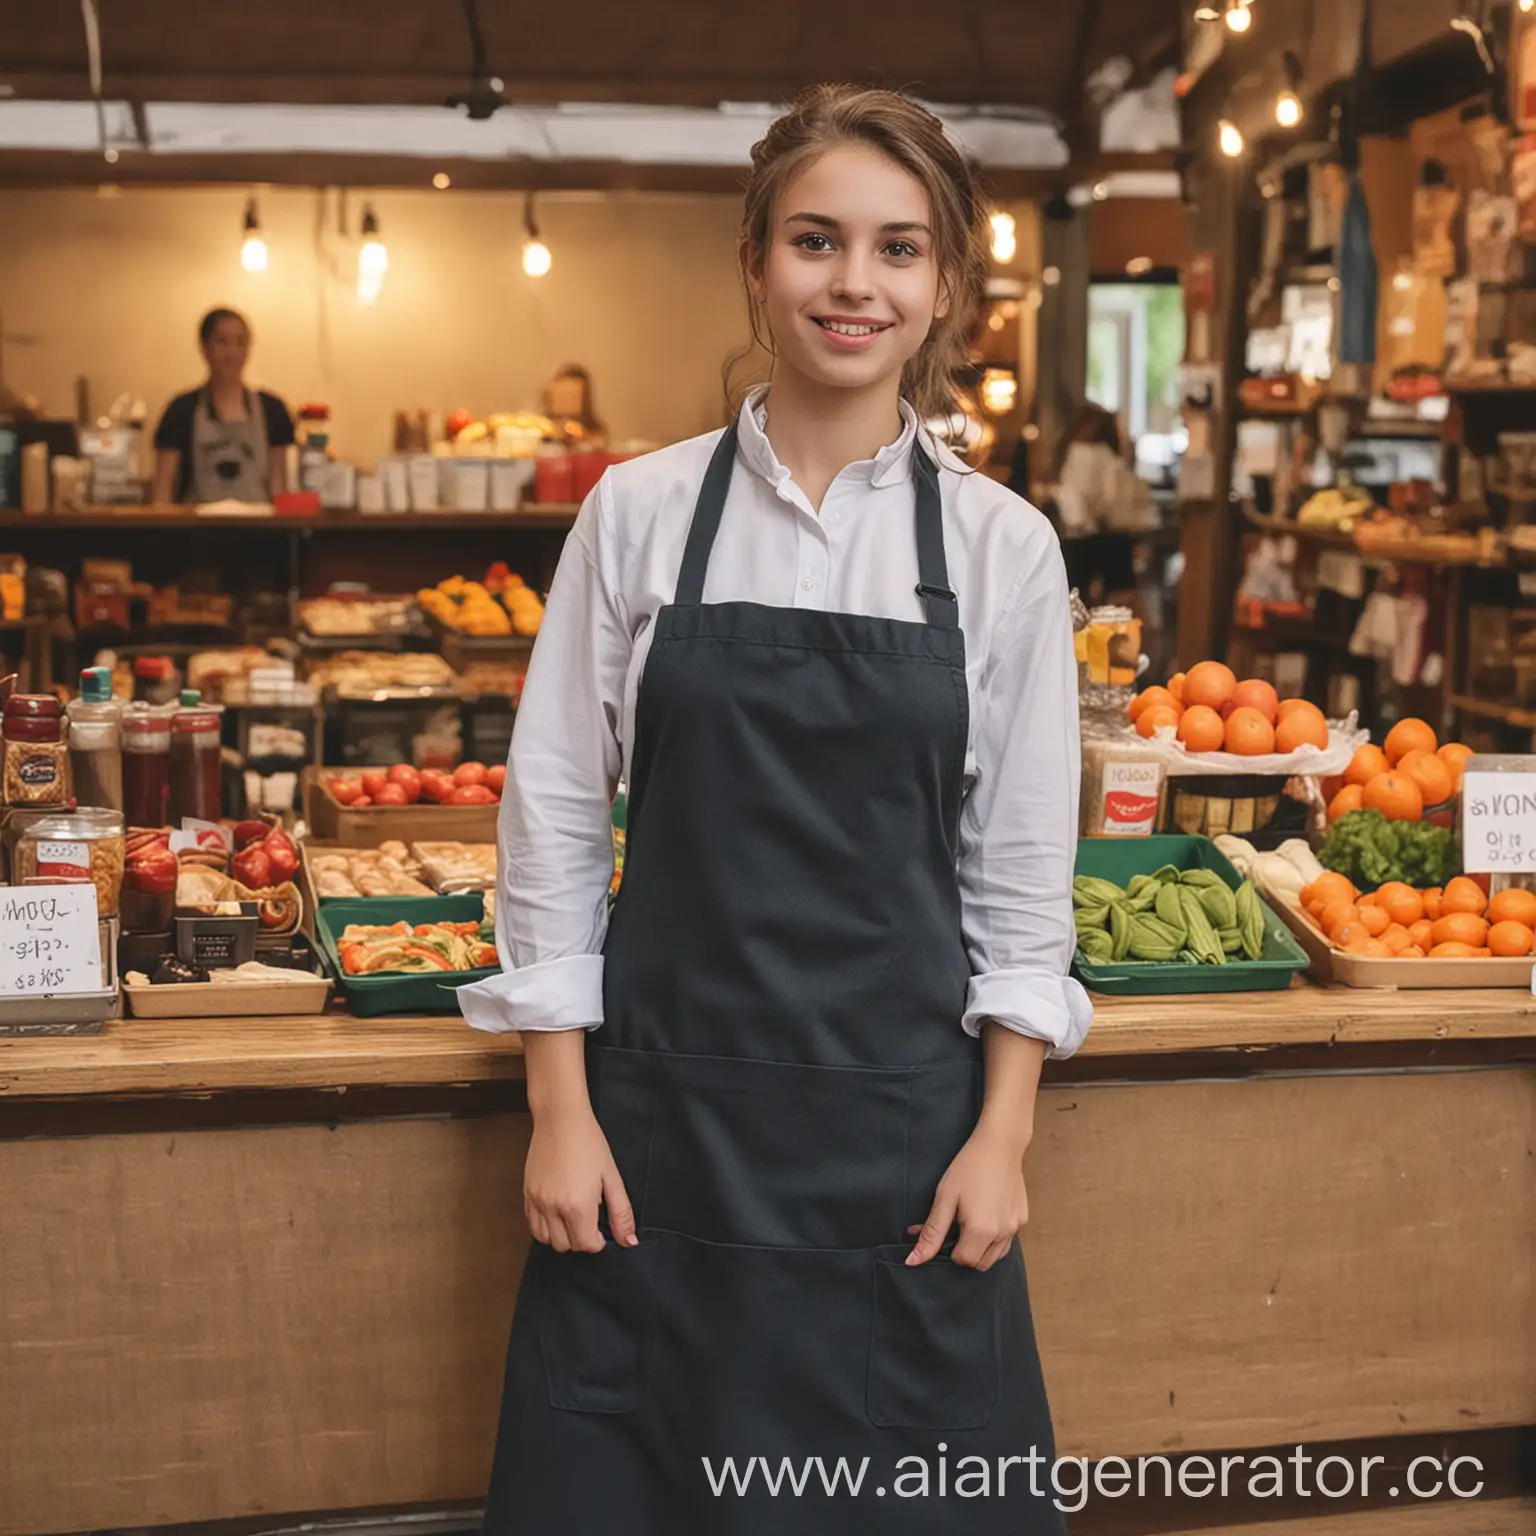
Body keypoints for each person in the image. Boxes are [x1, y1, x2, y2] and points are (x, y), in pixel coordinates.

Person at [458, 83, 1091, 1535]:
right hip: (658, 1138)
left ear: (942, 290)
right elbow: (553, 812)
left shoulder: (1003, 549)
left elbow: (1016, 877)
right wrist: (558, 1109)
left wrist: (1002, 1139)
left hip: (904, 1158)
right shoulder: (637, 512)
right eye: (815, 241)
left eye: (897, 249)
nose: (852, 283)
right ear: (754, 264)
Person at [150, 308, 295, 504]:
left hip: (259, 530)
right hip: (198, 530)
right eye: (222, 341)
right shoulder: (181, 411)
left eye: (240, 342)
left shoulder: (273, 411)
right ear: (204, 348)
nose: (232, 352)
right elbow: (163, 491)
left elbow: (278, 488)